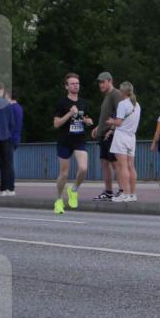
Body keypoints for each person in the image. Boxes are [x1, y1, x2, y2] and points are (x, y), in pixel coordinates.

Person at [52, 72, 94, 214]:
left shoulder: (83, 102)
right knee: (64, 174)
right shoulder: (61, 102)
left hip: (79, 140)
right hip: (64, 141)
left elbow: (86, 118)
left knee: (83, 169)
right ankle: (58, 201)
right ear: (66, 86)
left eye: (77, 83)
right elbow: (57, 124)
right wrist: (69, 113)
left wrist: (88, 121)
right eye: (72, 83)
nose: (75, 86)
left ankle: (73, 189)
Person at [92, 72, 123, 200]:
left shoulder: (115, 94)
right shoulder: (107, 96)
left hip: (110, 135)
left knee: (115, 163)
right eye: (99, 82)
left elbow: (121, 113)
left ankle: (122, 190)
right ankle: (108, 191)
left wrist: (112, 129)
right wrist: (98, 127)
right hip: (103, 134)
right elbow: (107, 115)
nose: (100, 84)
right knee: (104, 163)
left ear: (110, 81)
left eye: (103, 82)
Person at [108, 81, 141, 202]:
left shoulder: (123, 104)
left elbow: (119, 122)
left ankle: (124, 194)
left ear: (122, 92)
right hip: (132, 137)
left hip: (121, 136)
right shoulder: (137, 105)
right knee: (131, 166)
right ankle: (132, 194)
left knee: (122, 166)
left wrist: (111, 121)